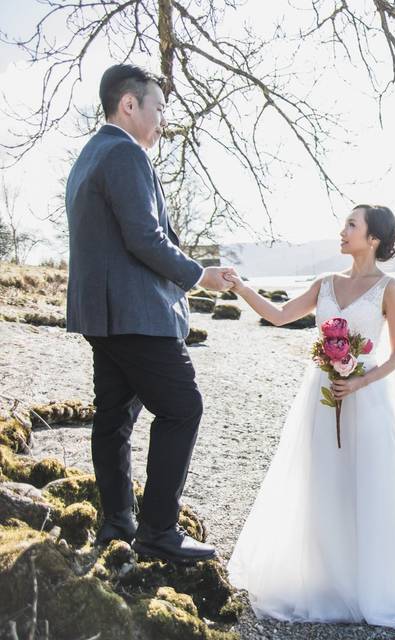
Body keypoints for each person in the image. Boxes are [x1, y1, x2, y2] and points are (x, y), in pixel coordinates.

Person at [225, 204, 395, 626]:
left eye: (351, 225)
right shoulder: (325, 283)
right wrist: (241, 288)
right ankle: (327, 582)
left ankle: (373, 585)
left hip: (368, 399)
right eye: (345, 224)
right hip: (321, 396)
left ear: (373, 238)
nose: (342, 231)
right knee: (323, 482)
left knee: (371, 486)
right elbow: (280, 315)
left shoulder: (389, 288)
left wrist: (359, 382)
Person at [65, 64, 236, 563]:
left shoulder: (89, 155)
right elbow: (144, 238)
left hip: (105, 317)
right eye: (158, 108)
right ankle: (159, 530)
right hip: (137, 315)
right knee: (183, 407)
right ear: (129, 105)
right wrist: (198, 274)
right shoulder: (124, 153)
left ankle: (117, 522)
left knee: (113, 418)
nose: (163, 119)